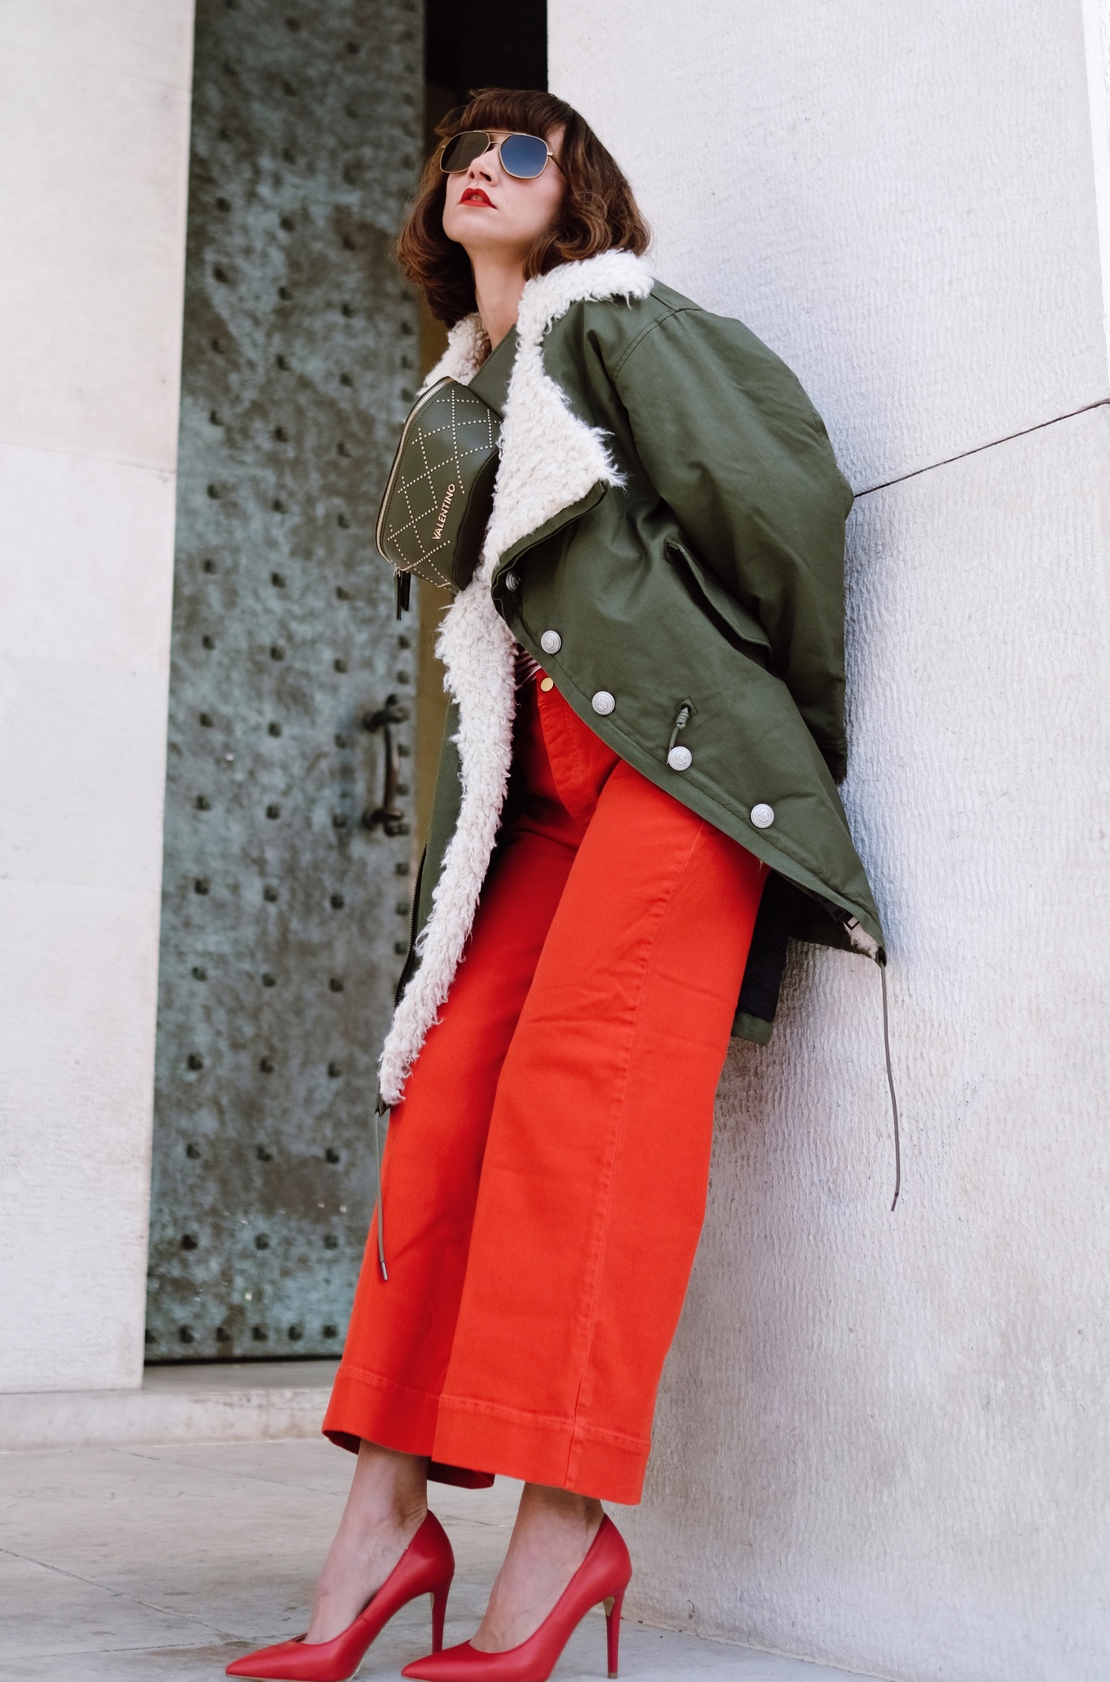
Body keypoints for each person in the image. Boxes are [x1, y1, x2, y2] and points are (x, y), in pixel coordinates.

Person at [227, 91, 882, 1682]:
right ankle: (385, 1529)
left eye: (522, 150)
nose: (483, 166)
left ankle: (562, 1531)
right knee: (447, 1098)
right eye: (464, 149)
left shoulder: (623, 324)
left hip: (667, 767)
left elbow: (784, 502)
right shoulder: (463, 388)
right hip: (535, 806)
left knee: (583, 1112)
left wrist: (764, 712)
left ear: (578, 188)